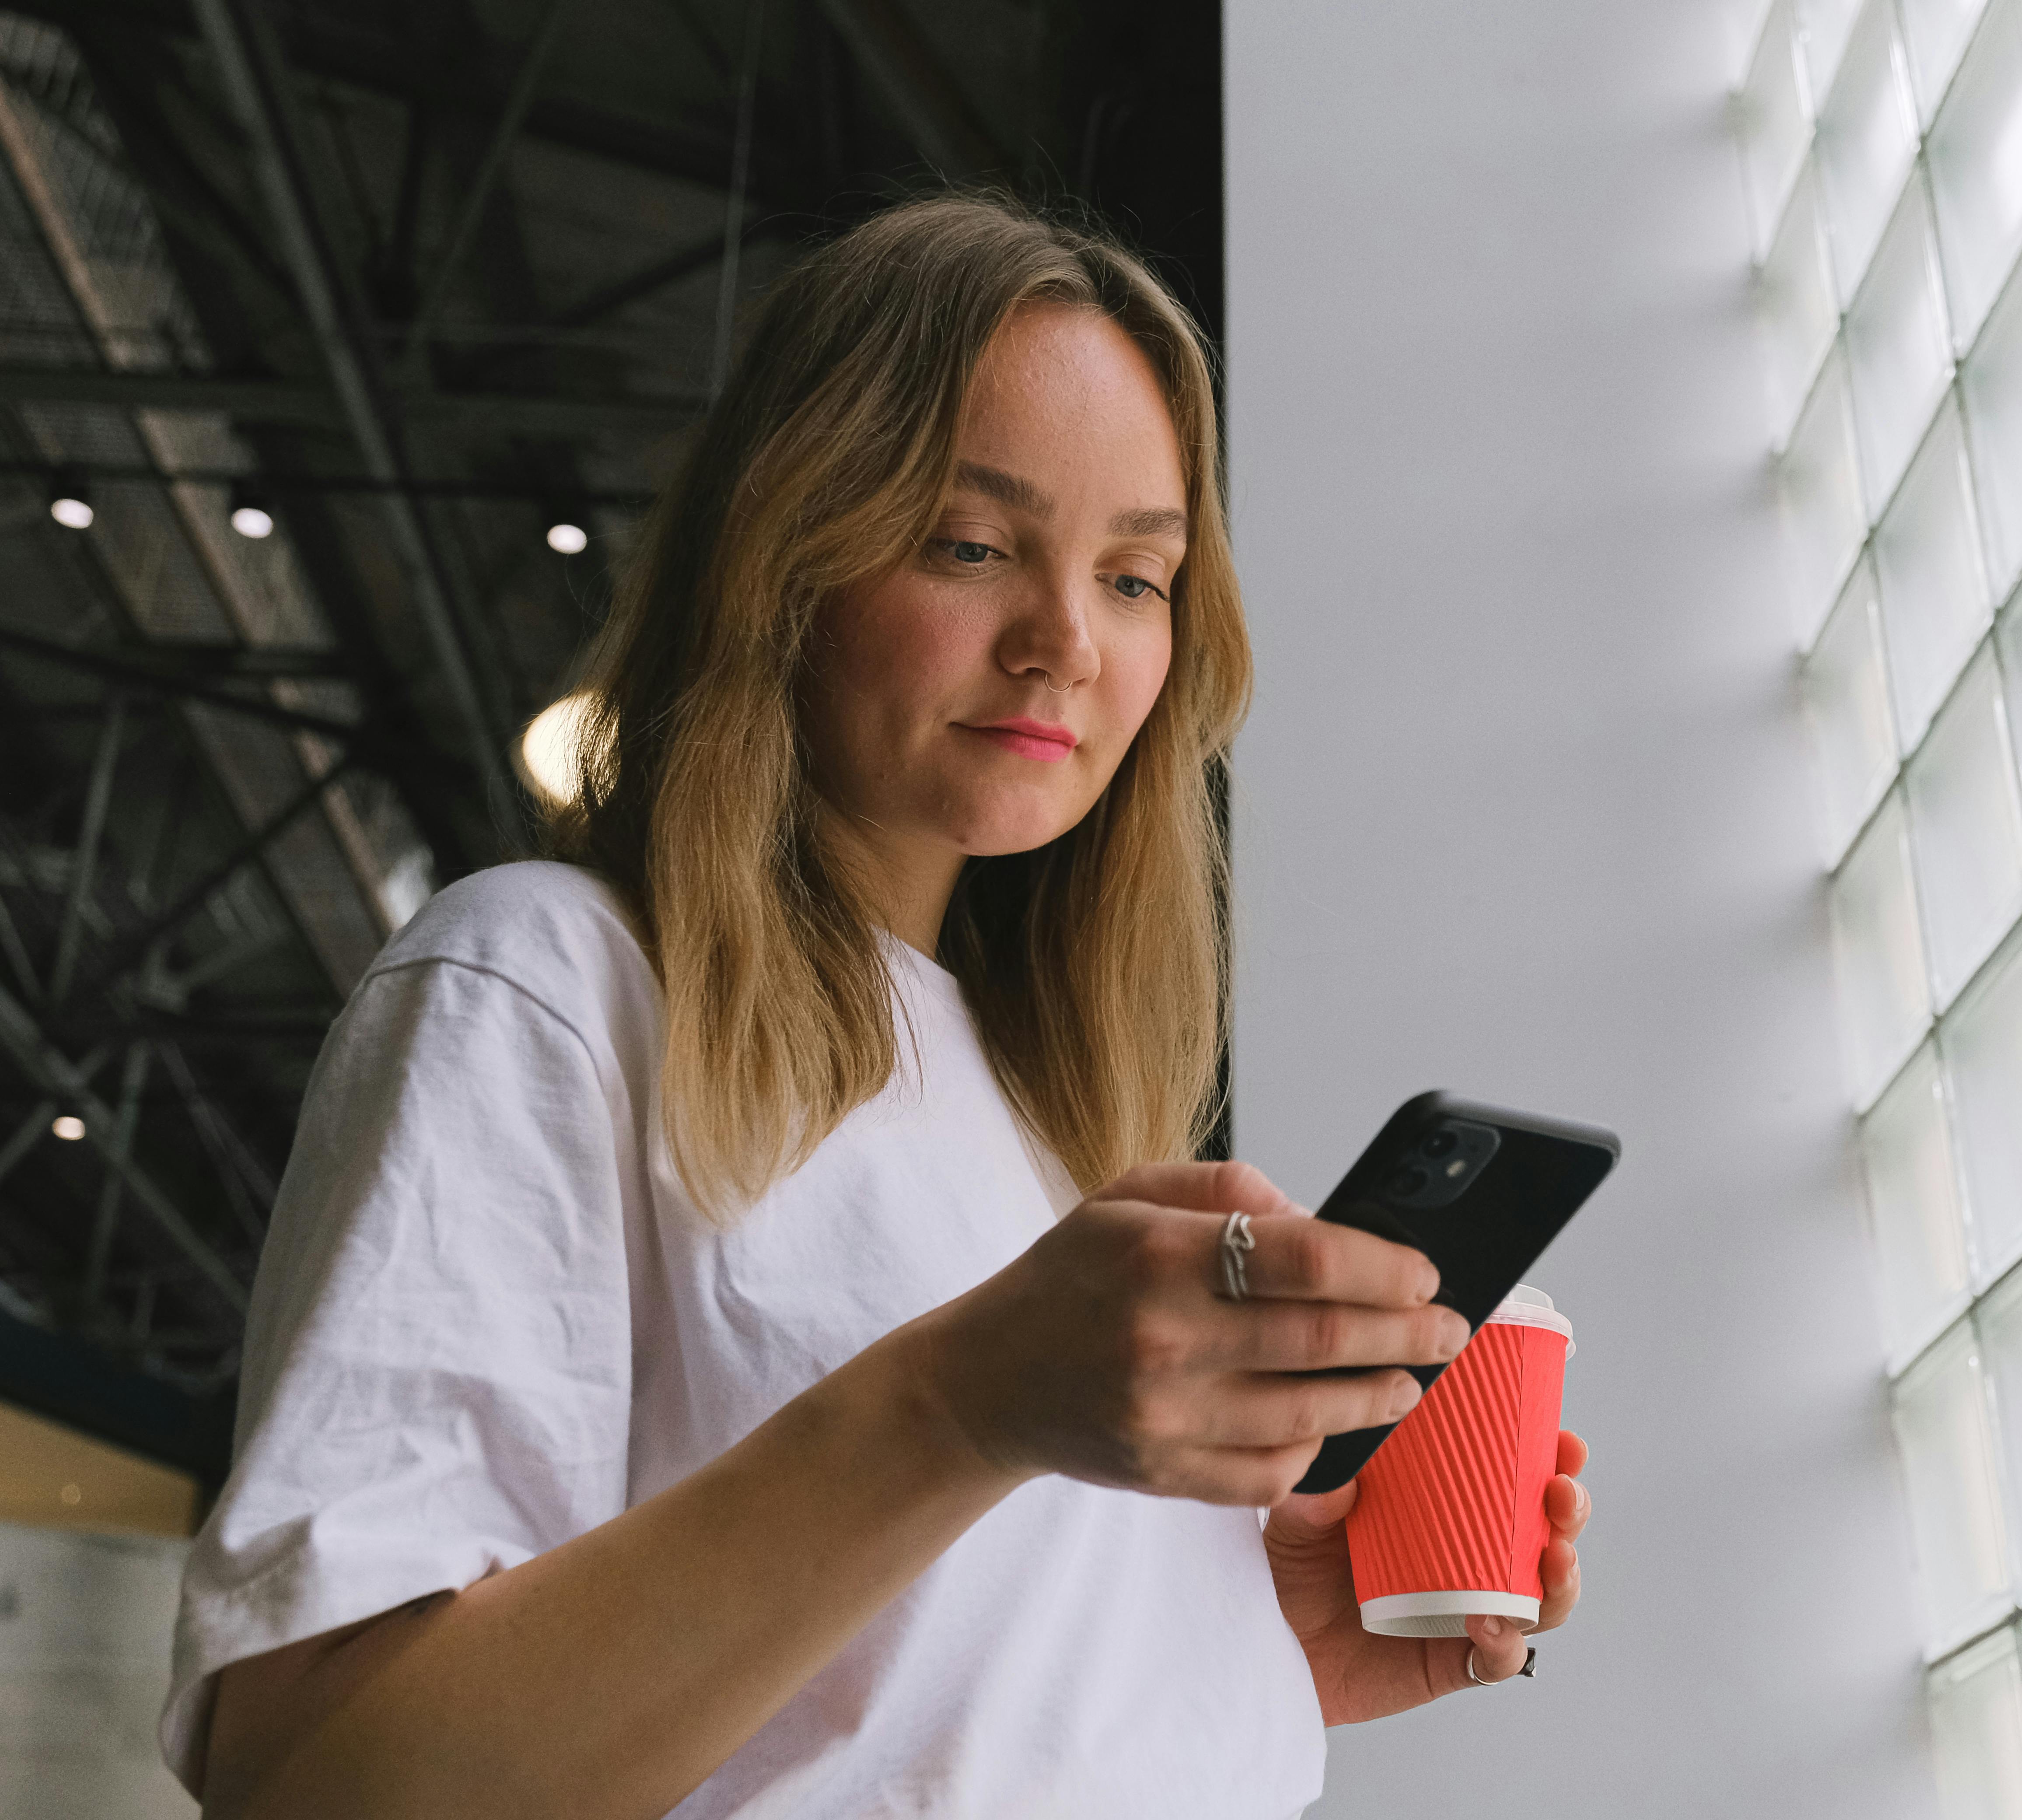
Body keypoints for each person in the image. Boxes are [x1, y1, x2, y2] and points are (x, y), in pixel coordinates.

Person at [160, 196, 1592, 1819]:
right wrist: (958, 1401)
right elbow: (327, 1786)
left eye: (1136, 575)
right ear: (786, 555)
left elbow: (885, 1733)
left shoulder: (1056, 1115)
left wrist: (1243, 1645)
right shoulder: (547, 984)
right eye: (971, 545)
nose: (1065, 641)